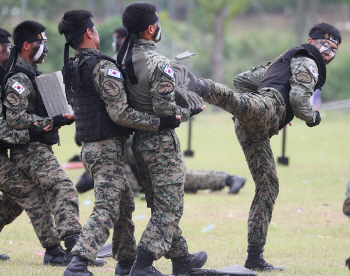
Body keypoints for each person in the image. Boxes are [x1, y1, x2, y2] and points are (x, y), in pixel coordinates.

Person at [188, 22, 341, 272]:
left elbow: (241, 79)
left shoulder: (282, 62)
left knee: (269, 185)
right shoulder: (308, 59)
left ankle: (255, 257)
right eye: (325, 45)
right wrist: (313, 117)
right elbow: (300, 101)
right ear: (311, 41)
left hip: (255, 122)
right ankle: (198, 85)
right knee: (239, 103)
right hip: (264, 108)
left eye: (334, 49)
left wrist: (280, 114)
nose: (329, 53)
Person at [58, 10, 182, 276]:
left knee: (125, 204)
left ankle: (125, 262)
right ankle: (77, 264)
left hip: (90, 148)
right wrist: (159, 123)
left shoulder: (71, 67)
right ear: (90, 33)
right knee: (108, 206)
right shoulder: (104, 67)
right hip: (106, 148)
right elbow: (120, 113)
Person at [2, 20, 105, 267]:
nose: (46, 48)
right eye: (41, 42)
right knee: (63, 187)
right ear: (26, 45)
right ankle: (73, 247)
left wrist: (59, 119)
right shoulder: (18, 79)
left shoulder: (33, 76)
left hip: (36, 146)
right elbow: (15, 118)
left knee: (16, 201)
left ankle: (56, 251)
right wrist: (49, 121)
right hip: (29, 149)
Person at [117, 3, 207, 276]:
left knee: (161, 204)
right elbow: (165, 111)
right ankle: (142, 264)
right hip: (161, 143)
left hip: (139, 143)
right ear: (151, 28)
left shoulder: (123, 59)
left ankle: (181, 261)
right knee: (170, 207)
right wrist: (190, 110)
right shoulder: (160, 63)